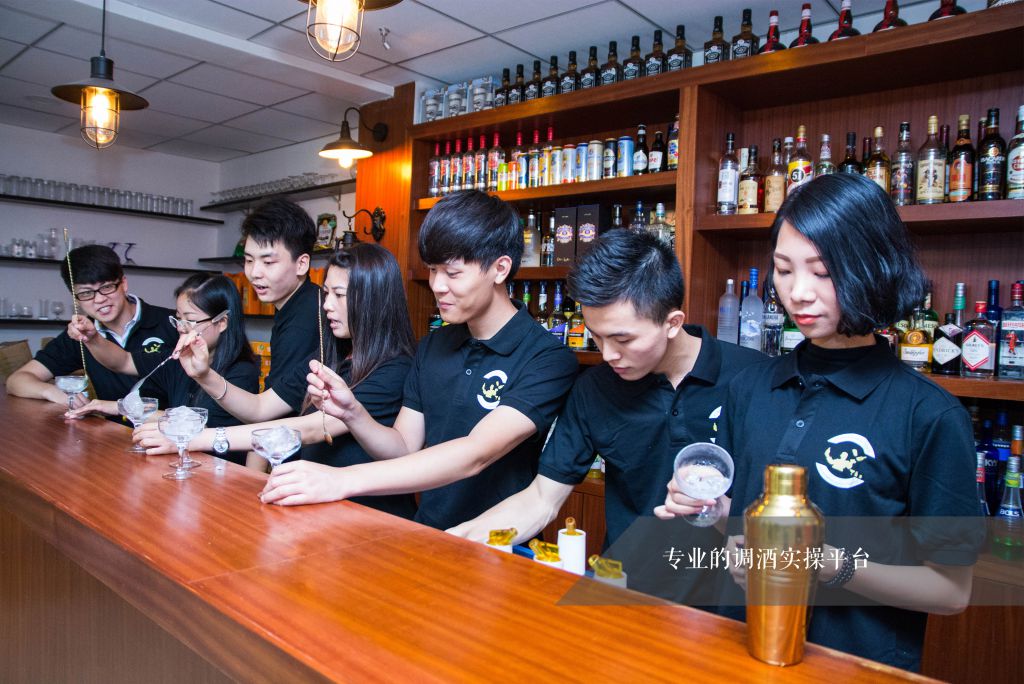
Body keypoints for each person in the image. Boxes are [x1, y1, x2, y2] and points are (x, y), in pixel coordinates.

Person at [656, 173, 977, 671]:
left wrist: (830, 566)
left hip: (851, 666)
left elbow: (951, 590)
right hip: (737, 649)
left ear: (875, 268)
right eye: (784, 270)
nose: (798, 293)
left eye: (823, 272)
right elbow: (745, 528)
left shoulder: (928, 415)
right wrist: (712, 510)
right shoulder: (750, 389)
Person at [259, 190, 579, 532]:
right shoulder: (433, 345)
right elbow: (403, 447)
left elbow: (476, 452)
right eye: (432, 270)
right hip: (426, 532)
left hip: (496, 542)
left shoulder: (546, 358)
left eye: (452, 273)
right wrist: (353, 413)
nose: (437, 285)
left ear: (500, 269)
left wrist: (340, 480)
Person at [447, 229, 764, 555]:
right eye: (597, 336)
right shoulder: (594, 389)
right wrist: (456, 538)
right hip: (623, 579)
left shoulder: (754, 379)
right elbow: (541, 499)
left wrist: (725, 514)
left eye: (623, 340)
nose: (608, 354)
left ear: (672, 323)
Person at [134, 245, 419, 518]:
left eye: (339, 295)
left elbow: (312, 428)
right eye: (326, 293)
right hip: (316, 505)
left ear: (372, 300)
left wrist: (194, 438)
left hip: (369, 514)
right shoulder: (329, 354)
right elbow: (260, 408)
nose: (327, 305)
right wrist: (205, 375)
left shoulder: (394, 367)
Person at [66, 275, 260, 458]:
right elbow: (124, 361)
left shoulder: (241, 372)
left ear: (222, 322)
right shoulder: (178, 359)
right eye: (178, 319)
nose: (181, 327)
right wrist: (92, 338)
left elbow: (205, 430)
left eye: (190, 320)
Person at [194, 198, 322, 422]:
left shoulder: (304, 320)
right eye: (249, 260)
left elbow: (270, 413)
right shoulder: (298, 303)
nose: (254, 273)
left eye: (268, 262)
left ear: (301, 264)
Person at [6, 244, 176, 410]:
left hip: (169, 426)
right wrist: (51, 391)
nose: (99, 299)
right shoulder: (80, 334)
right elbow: (17, 380)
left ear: (123, 284)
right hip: (109, 427)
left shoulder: (172, 323)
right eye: (86, 293)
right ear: (75, 298)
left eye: (107, 287)